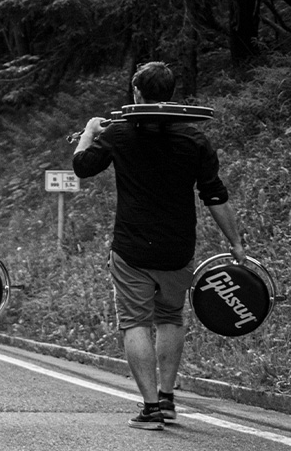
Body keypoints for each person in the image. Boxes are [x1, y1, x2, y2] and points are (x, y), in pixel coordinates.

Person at [72, 60, 247, 430]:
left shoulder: (119, 134)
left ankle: (150, 408)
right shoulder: (194, 138)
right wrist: (235, 242)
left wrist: (90, 130)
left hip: (131, 247)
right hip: (177, 245)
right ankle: (167, 399)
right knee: (170, 316)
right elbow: (214, 195)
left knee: (135, 321)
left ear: (137, 93)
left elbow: (83, 166)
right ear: (170, 95)